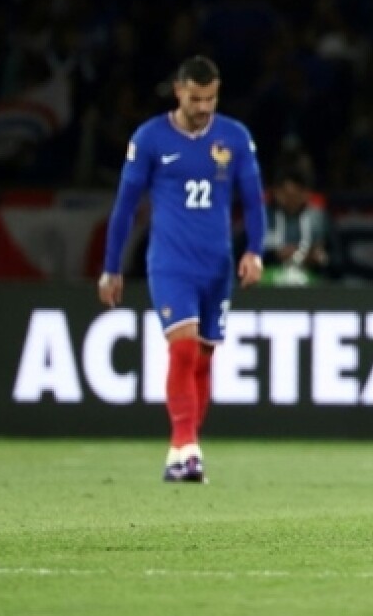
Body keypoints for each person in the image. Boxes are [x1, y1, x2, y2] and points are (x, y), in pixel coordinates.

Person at [97, 56, 266, 483]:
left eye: (210, 98)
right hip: (170, 263)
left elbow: (254, 198)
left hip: (218, 265)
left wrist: (256, 251)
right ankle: (187, 448)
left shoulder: (235, 137)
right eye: (196, 98)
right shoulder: (150, 138)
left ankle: (183, 452)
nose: (204, 106)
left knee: (204, 359)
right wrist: (111, 267)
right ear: (178, 91)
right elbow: (124, 206)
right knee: (184, 349)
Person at [262, 167, 331, 286]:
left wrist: (319, 257)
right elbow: (245, 253)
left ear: (305, 193)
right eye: (284, 193)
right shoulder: (263, 218)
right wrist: (274, 255)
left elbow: (336, 258)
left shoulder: (319, 219)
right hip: (270, 274)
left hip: (310, 275)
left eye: (293, 195)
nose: (289, 200)